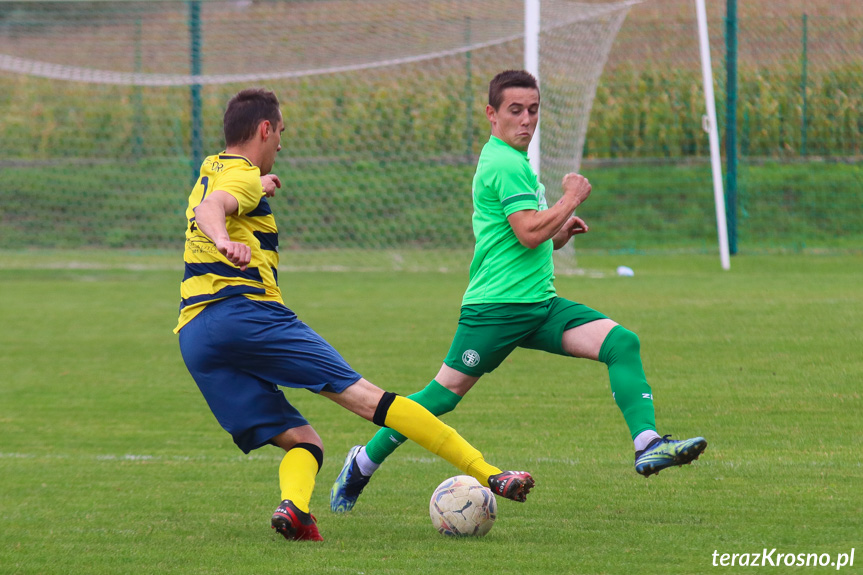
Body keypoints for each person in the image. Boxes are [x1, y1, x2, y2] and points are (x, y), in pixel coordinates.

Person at [330, 70, 707, 514]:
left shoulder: (517, 163)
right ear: (492, 115)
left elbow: (530, 237)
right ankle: (362, 463)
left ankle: (647, 444)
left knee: (621, 343)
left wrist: (560, 231)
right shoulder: (504, 164)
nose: (526, 120)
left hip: (539, 305)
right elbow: (529, 233)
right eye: (515, 110)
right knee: (439, 399)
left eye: (532, 110)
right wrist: (570, 199)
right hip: (496, 309)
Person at [174, 88, 534, 542]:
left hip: (195, 334)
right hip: (247, 315)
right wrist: (225, 239)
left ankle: (296, 511)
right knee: (371, 400)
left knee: (302, 440)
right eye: (280, 132)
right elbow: (215, 208)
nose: (281, 144)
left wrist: (252, 193)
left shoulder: (211, 169)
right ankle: (491, 473)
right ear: (265, 129)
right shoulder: (243, 174)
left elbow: (212, 197)